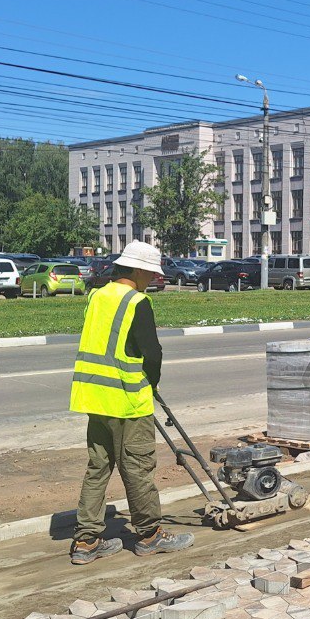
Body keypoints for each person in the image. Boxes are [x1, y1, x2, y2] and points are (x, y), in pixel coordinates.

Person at [69, 240, 194, 565]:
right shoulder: (136, 301)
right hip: (126, 401)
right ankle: (150, 536)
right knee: (137, 468)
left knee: (98, 468)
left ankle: (86, 542)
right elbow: (152, 353)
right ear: (138, 270)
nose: (152, 279)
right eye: (150, 273)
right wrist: (150, 384)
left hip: (94, 398)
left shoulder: (97, 296)